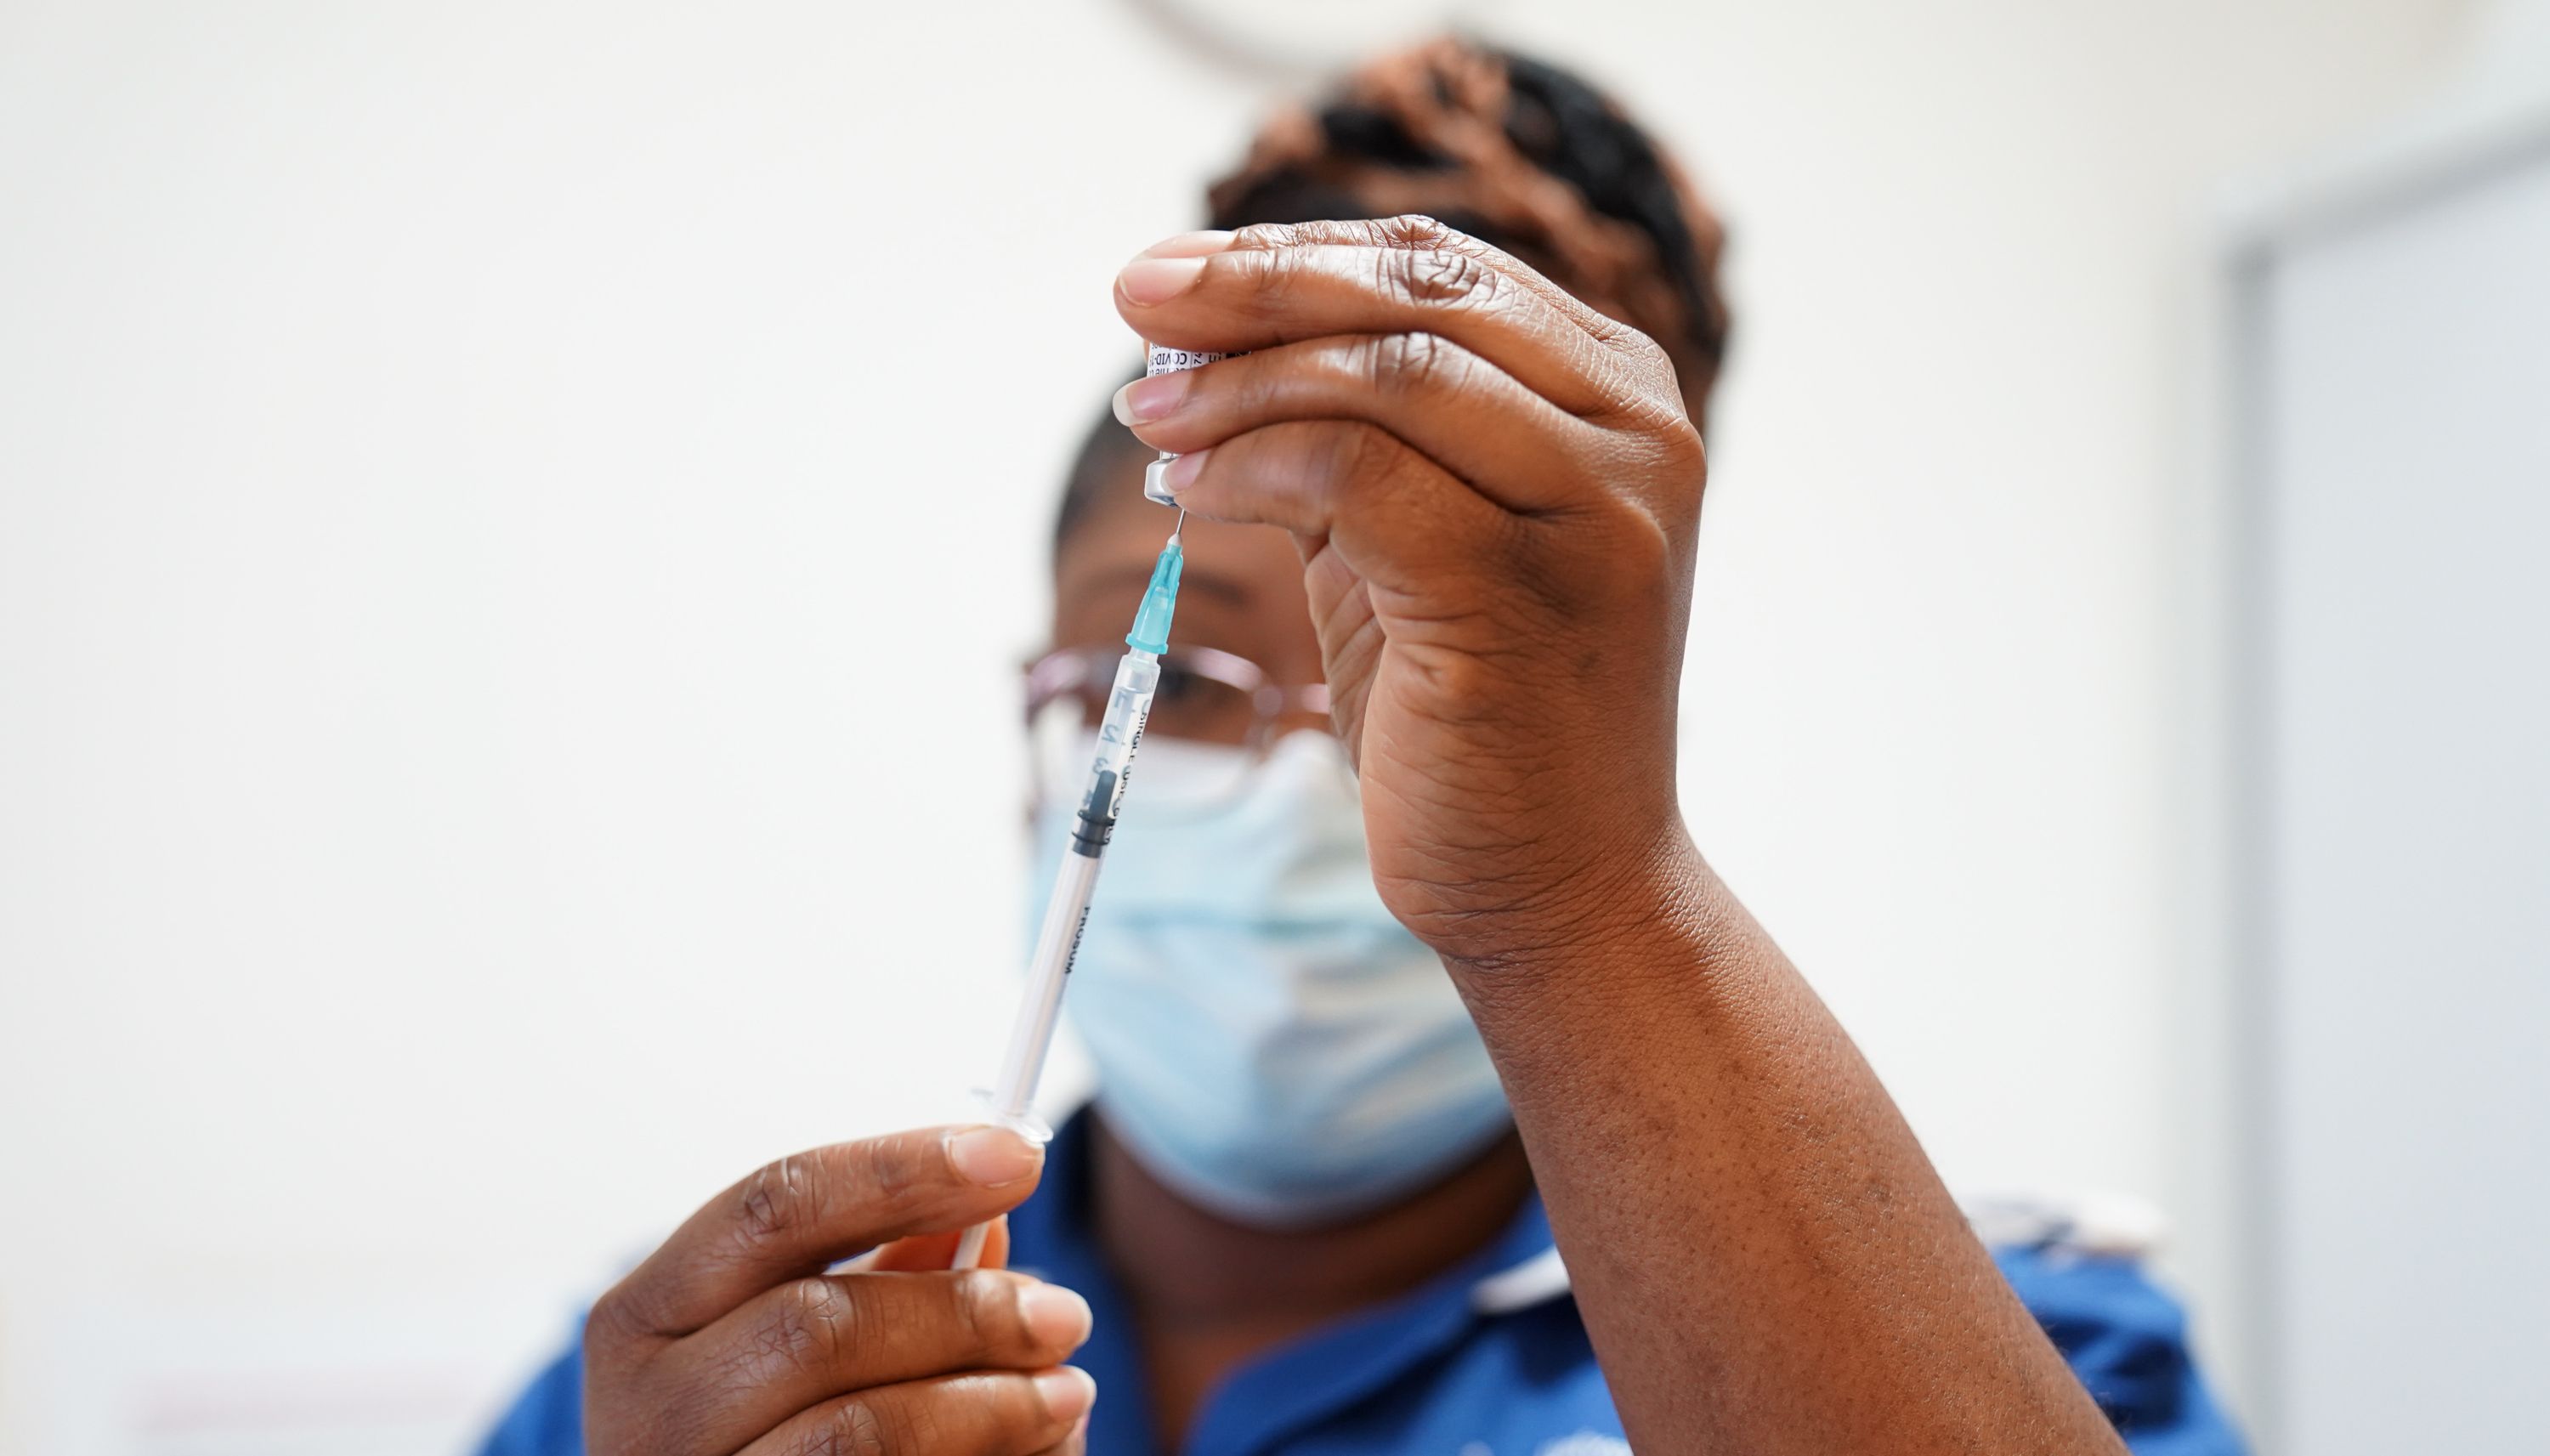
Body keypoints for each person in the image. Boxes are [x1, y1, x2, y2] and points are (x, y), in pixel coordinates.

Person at [482, 37, 2241, 1456]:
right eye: (1164, 684)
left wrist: (1576, 899)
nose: (1280, 784)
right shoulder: (730, 1375)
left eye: (1408, 676)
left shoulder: (2006, 1348)